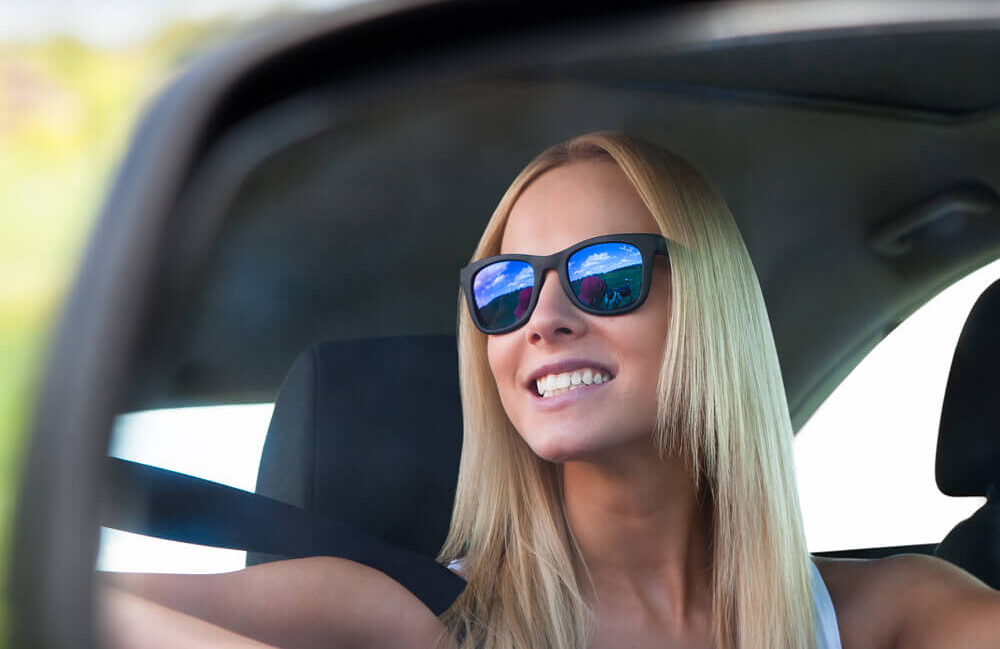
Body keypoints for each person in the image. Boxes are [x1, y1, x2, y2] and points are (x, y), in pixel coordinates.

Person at [101, 132, 1000, 649]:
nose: (545, 317)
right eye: (505, 290)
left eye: (606, 274)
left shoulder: (893, 617)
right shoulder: (409, 621)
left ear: (713, 312)